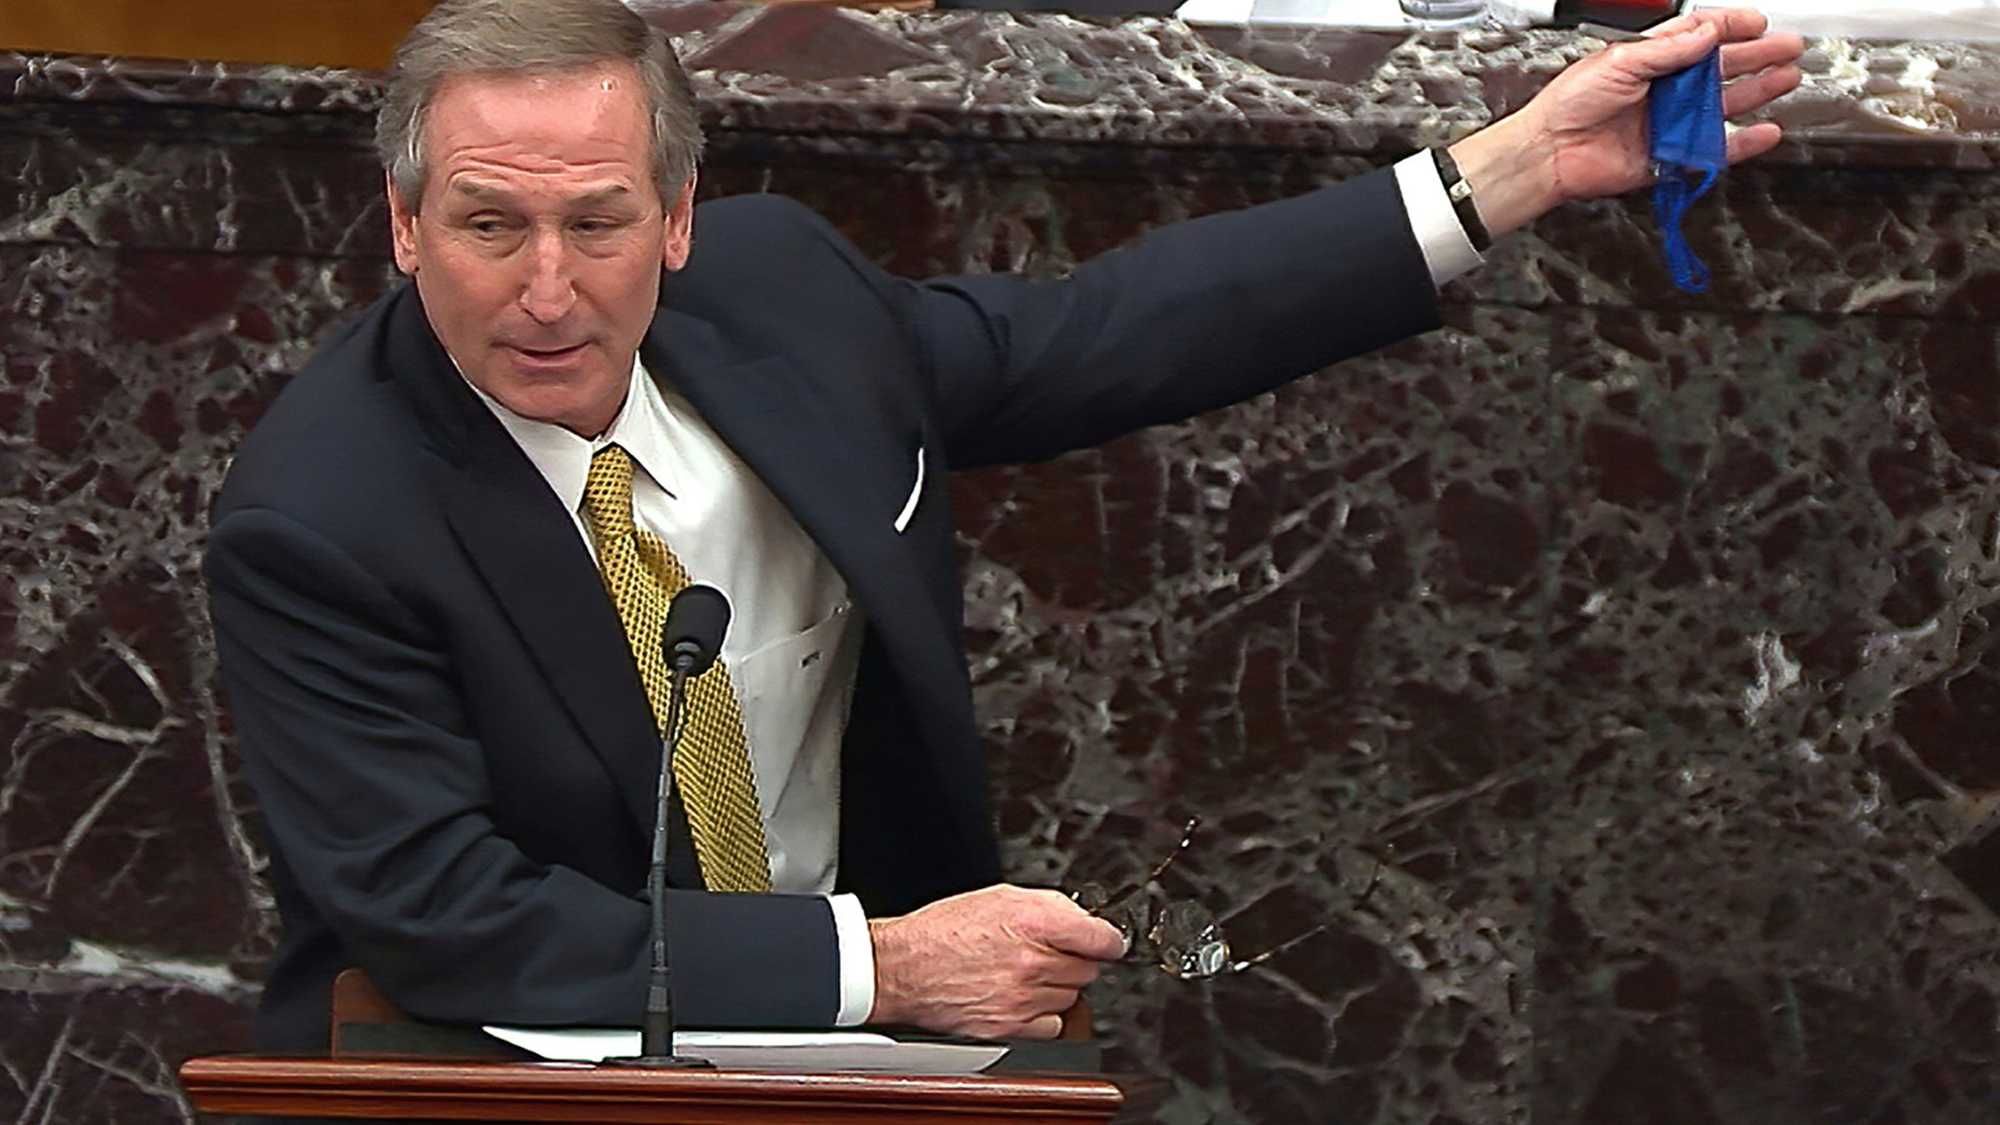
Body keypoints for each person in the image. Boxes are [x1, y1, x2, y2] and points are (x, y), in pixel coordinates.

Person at [204, 0, 1804, 1051]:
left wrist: (1513, 165)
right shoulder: (319, 516)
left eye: (598, 222)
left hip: (858, 1070)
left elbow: (1108, 334)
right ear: (403, 223)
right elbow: (454, 920)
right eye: (488, 224)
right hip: (482, 1072)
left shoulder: (784, 302)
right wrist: (885, 966)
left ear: (678, 219)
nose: (547, 288)